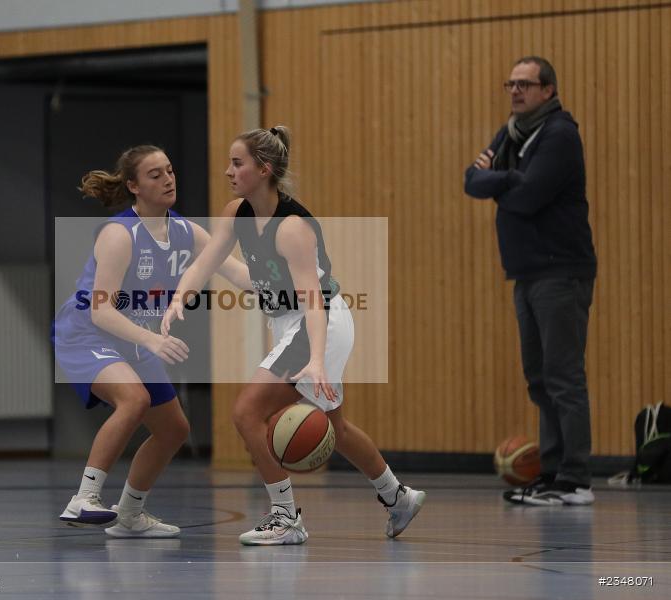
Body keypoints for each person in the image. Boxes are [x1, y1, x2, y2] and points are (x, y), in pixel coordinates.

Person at [162, 126, 425, 545]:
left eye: (237, 163)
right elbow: (206, 263)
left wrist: (317, 358)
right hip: (291, 323)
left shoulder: (292, 228)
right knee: (335, 426)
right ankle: (397, 497)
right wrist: (179, 298)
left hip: (317, 323)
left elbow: (314, 301)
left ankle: (285, 518)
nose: (228, 171)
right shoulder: (238, 213)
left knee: (247, 413)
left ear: (263, 169)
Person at [54, 145, 251, 537]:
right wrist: (152, 340)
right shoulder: (118, 235)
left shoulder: (185, 231)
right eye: (155, 175)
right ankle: (84, 498)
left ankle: (129, 515)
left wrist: (290, 282)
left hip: (133, 338)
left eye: (170, 170)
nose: (167, 179)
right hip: (87, 333)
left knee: (174, 429)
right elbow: (101, 311)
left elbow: (235, 272)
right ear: (134, 187)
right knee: (135, 398)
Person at [464, 56, 597, 506]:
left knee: (563, 376)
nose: (516, 91)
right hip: (526, 272)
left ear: (548, 90)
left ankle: (576, 479)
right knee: (539, 378)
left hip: (561, 271)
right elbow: (471, 181)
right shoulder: (511, 132)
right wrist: (506, 179)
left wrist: (497, 180)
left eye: (526, 84)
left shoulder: (559, 134)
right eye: (511, 84)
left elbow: (530, 196)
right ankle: (554, 472)